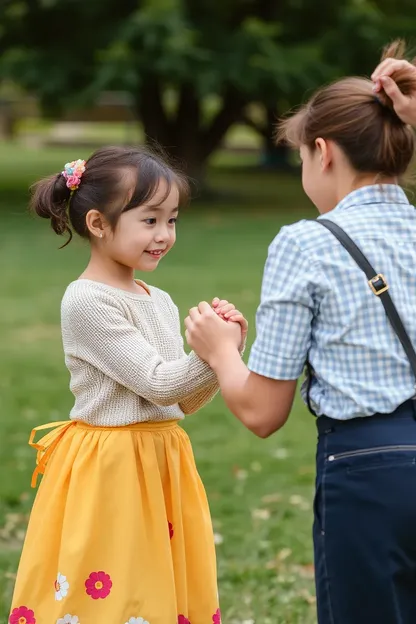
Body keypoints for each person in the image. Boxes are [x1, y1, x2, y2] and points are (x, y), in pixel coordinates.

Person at [185, 40, 416, 624]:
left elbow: (263, 412)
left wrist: (219, 351)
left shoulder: (306, 243)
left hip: (369, 471)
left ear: (323, 152)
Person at [8, 146, 247, 624]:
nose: (164, 235)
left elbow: (180, 400)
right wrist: (213, 353)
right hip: (114, 467)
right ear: (98, 224)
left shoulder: (155, 297)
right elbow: (159, 383)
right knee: (119, 586)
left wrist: (225, 351)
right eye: (150, 220)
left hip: (162, 458)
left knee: (161, 582)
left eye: (172, 220)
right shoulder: (87, 301)